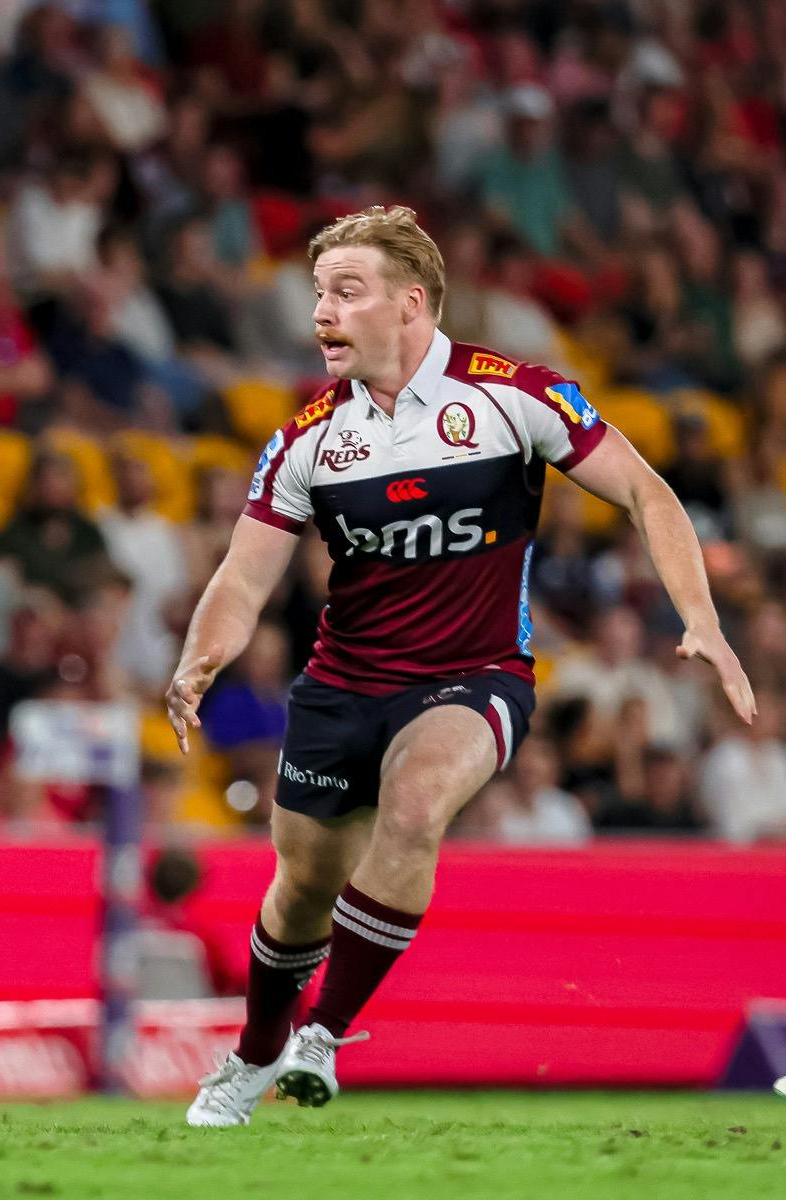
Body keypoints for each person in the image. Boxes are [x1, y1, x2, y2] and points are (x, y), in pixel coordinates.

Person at [167, 206, 755, 1128]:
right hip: (342, 687)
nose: (321, 312)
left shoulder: (513, 396)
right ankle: (253, 1053)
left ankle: (323, 1036)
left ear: (410, 303)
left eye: (345, 292)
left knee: (414, 806)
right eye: (319, 293)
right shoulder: (306, 440)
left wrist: (703, 621)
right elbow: (243, 577)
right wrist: (199, 661)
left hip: (476, 676)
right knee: (302, 887)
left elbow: (646, 490)